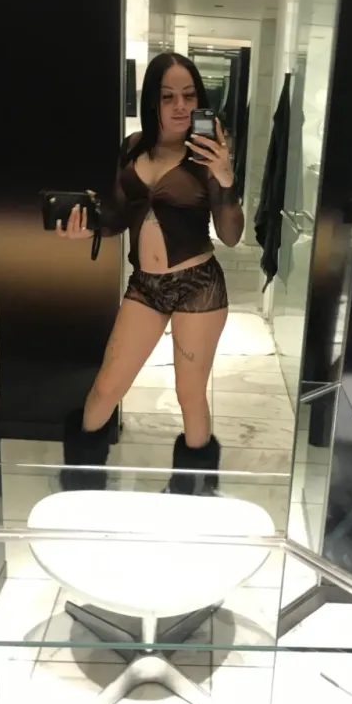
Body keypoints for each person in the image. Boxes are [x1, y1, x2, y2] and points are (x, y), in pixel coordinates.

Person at [57, 52, 244, 494]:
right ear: (152, 102)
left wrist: (226, 178)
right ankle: (81, 483)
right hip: (145, 286)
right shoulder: (133, 147)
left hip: (198, 287)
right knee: (106, 388)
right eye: (167, 96)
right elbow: (119, 217)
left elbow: (231, 235)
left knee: (189, 395)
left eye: (189, 96)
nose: (180, 106)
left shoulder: (207, 156)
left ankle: (192, 492)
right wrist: (89, 230)